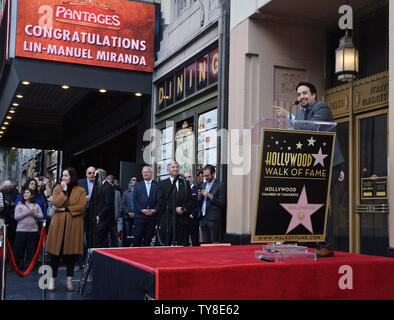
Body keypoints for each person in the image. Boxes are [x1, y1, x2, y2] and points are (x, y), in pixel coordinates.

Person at [273, 81, 344, 257]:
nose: (301, 97)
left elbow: (313, 127)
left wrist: (289, 116)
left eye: (304, 93)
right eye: (298, 94)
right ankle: (314, 241)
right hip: (312, 164)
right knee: (309, 201)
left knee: (320, 201)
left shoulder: (322, 107)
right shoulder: (302, 113)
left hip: (329, 163)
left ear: (313, 95)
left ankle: (326, 244)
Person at [45, 167, 86, 292]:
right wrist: (64, 191)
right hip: (58, 225)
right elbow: (56, 203)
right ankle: (52, 281)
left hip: (73, 225)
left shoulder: (81, 190)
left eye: (66, 175)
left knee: (71, 255)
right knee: (55, 255)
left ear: (72, 177)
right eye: (62, 175)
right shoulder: (57, 189)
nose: (63, 178)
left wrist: (66, 209)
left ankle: (69, 282)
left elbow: (82, 206)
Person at [158, 161, 192, 246]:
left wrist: (183, 209)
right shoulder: (162, 184)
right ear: (168, 170)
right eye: (173, 167)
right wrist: (174, 208)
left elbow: (190, 200)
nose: (175, 169)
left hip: (182, 220)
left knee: (182, 246)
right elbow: (161, 200)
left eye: (177, 167)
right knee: (167, 246)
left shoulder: (185, 183)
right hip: (168, 220)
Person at [13, 188, 43, 270]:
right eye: (24, 193)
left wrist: (34, 214)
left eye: (27, 192)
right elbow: (16, 217)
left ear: (32, 195)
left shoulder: (36, 205)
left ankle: (30, 265)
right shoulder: (19, 205)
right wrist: (26, 212)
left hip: (33, 230)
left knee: (31, 249)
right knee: (19, 249)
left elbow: (41, 216)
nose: (25, 194)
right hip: (21, 230)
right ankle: (18, 265)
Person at [132, 167, 160, 247]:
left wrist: (155, 210)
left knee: (148, 240)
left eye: (147, 172)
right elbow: (135, 200)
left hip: (152, 217)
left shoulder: (157, 185)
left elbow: (160, 200)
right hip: (140, 217)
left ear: (151, 173)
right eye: (144, 172)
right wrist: (142, 210)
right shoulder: (137, 185)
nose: (145, 174)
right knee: (137, 239)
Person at [198, 165, 226, 244]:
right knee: (205, 243)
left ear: (213, 174)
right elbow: (200, 201)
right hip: (203, 218)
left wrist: (210, 196)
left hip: (214, 220)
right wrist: (199, 196)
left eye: (207, 175)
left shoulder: (220, 185)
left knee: (214, 244)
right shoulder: (203, 185)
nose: (206, 178)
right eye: (204, 176)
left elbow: (222, 203)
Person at [94, 169, 115, 248]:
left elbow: (108, 205)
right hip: (100, 218)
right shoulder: (101, 186)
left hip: (104, 219)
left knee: (100, 241)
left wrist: (99, 216)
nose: (94, 178)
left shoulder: (107, 187)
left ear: (101, 177)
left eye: (96, 176)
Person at [185, 172, 200, 246]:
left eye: (189, 177)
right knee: (184, 242)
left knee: (194, 241)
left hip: (193, 219)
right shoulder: (182, 190)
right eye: (185, 178)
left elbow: (199, 204)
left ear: (193, 178)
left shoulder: (197, 189)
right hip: (184, 218)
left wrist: (193, 214)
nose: (187, 179)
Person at [121, 177, 137, 246]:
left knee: (136, 233)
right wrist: (128, 212)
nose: (132, 181)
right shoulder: (126, 192)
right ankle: (127, 246)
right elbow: (123, 204)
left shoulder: (139, 192)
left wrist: (135, 213)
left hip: (137, 216)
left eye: (133, 180)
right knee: (127, 233)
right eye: (131, 180)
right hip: (127, 216)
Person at [107, 174, 122, 247]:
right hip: (105, 218)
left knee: (115, 238)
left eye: (111, 179)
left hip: (114, 219)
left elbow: (120, 205)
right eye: (108, 179)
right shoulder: (102, 190)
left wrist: (117, 215)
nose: (109, 180)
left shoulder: (117, 192)